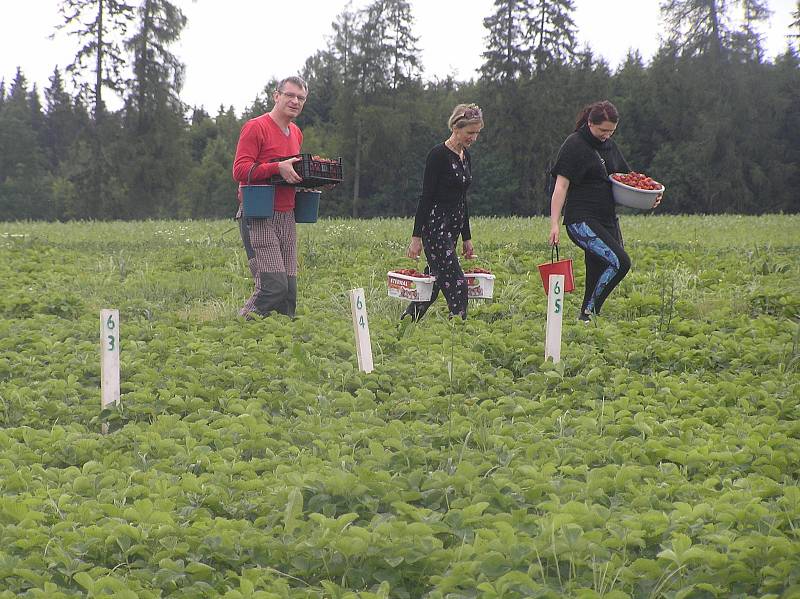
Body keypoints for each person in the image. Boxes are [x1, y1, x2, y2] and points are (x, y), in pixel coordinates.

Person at [548, 100, 661, 322]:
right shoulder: (574, 145)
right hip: (581, 220)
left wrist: (650, 196)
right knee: (620, 262)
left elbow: (628, 180)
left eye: (611, 131)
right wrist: (554, 224)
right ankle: (591, 311)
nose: (606, 135)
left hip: (607, 219)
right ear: (590, 122)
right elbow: (560, 187)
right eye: (602, 130)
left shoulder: (610, 146)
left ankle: (585, 319)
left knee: (597, 268)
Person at [232, 76, 308, 319]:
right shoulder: (256, 127)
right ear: (276, 96)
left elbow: (289, 173)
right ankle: (242, 326)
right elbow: (240, 170)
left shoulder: (295, 132)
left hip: (287, 215)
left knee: (289, 294)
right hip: (259, 214)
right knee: (273, 286)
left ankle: (279, 347)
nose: (295, 101)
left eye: (301, 98)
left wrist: (307, 183)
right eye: (290, 95)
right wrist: (277, 168)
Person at [402, 103, 484, 322]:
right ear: (456, 128)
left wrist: (467, 238)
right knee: (457, 284)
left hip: (454, 225)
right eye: (469, 133)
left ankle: (405, 325)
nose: (473, 138)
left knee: (435, 281)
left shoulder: (466, 157)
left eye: (477, 133)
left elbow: (462, 199)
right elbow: (426, 197)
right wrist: (416, 237)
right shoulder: (438, 155)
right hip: (435, 226)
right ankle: (458, 333)